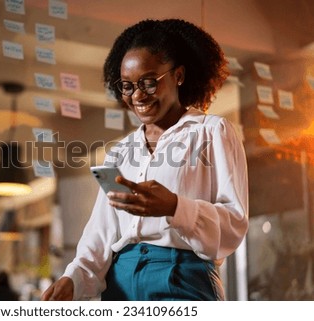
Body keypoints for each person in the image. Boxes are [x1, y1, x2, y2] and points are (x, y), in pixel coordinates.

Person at [41, 18, 248, 301]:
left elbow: (234, 224)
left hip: (181, 278)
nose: (137, 95)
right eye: (127, 86)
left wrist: (175, 207)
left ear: (179, 75)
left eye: (148, 82)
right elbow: (101, 233)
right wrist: (73, 277)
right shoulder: (120, 151)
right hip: (120, 285)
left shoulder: (212, 132)